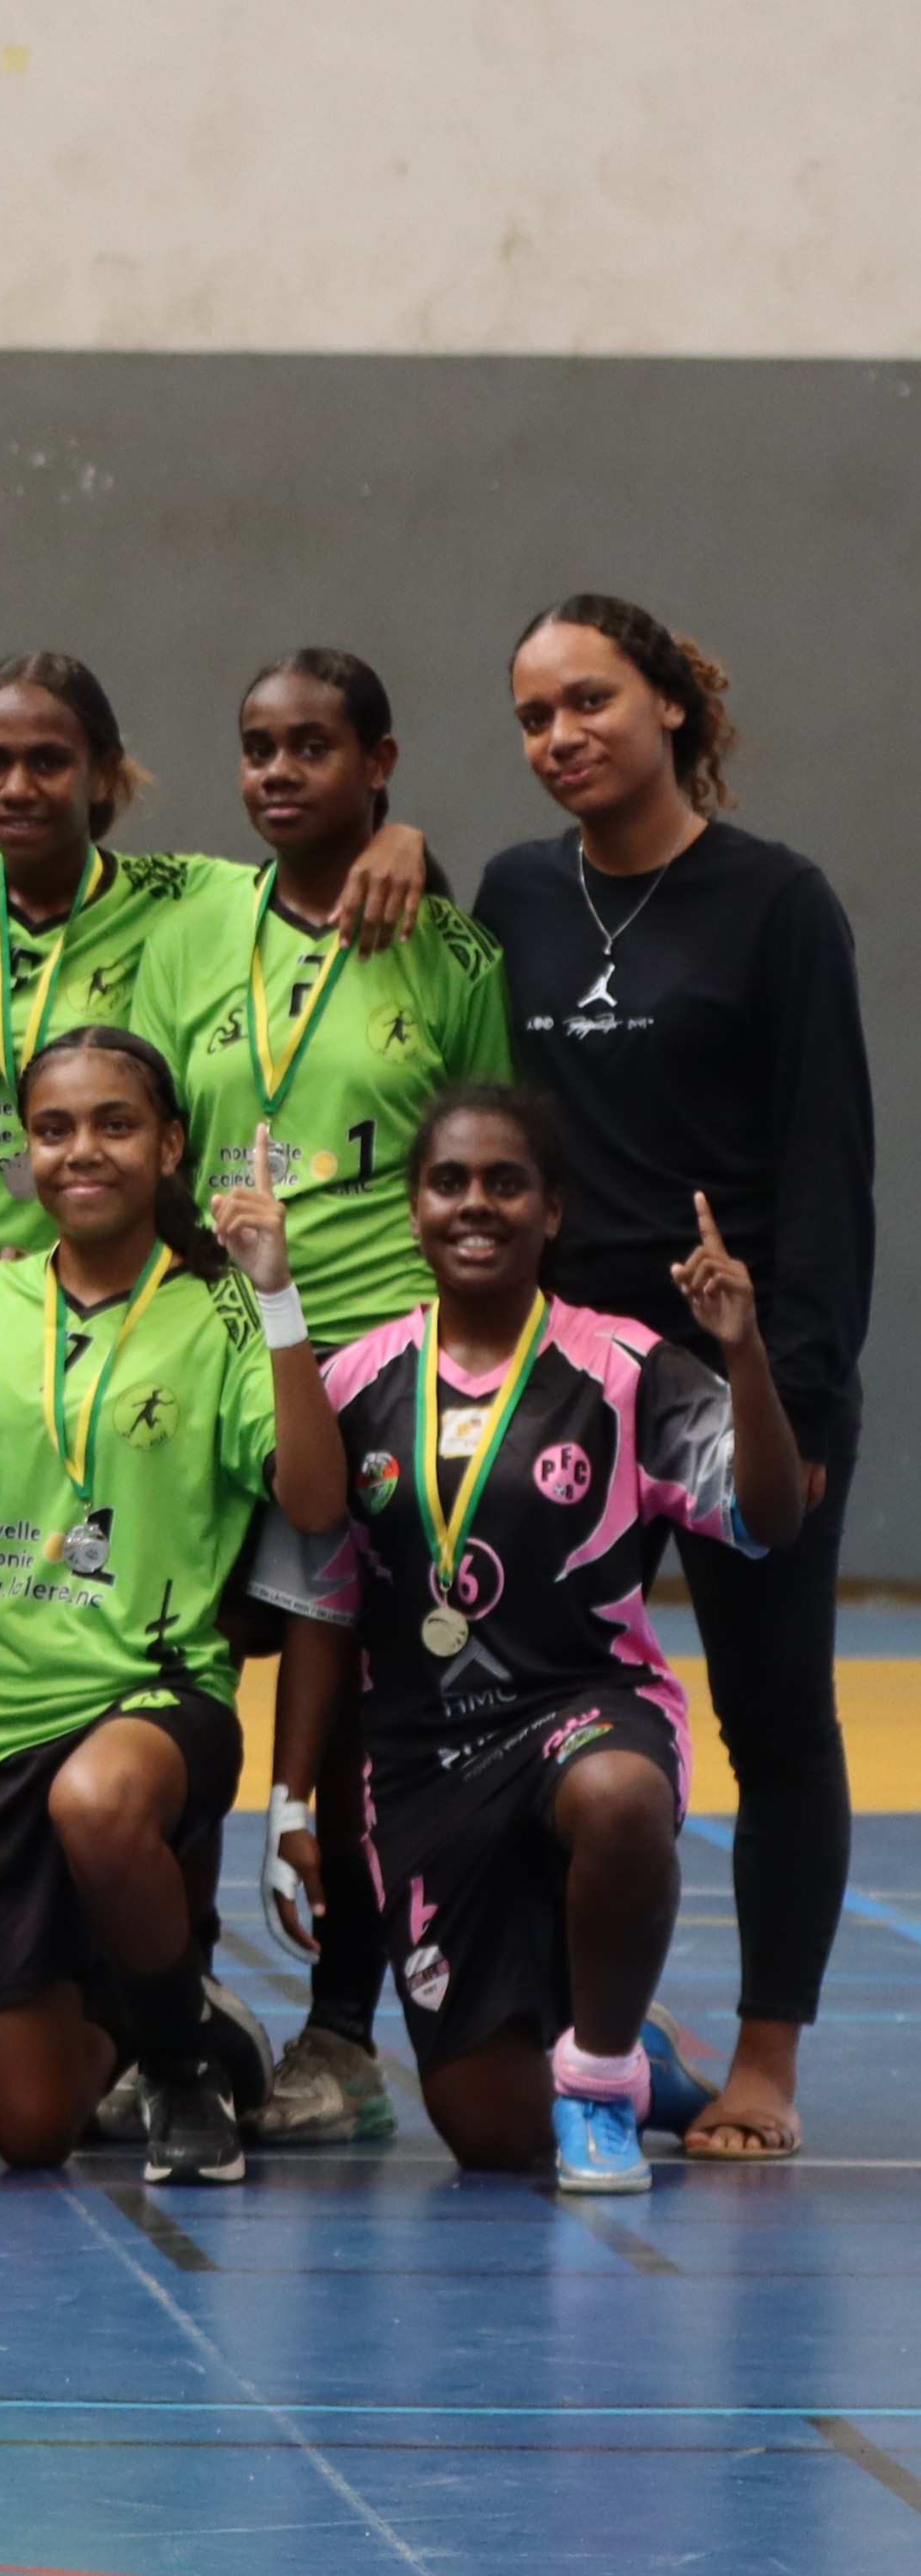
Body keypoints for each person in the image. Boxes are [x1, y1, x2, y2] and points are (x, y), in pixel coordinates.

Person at [476, 598, 870, 2164]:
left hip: (726, 1375)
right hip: (567, 1377)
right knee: (525, 1700)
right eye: (531, 715)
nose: (561, 735)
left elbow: (829, 1173)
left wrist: (807, 1396)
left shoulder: (778, 904)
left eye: (590, 701)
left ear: (670, 708)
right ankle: (583, 2022)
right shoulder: (512, 892)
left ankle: (764, 2055)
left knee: (772, 1709)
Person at [261, 1089, 799, 2193]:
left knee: (617, 1797)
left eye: (504, 1182)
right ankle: (641, 2059)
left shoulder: (626, 1368)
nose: (475, 1204)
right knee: (494, 2135)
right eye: (447, 1181)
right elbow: (320, 1595)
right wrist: (290, 1800)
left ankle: (599, 2077)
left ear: (552, 1209)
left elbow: (770, 1514)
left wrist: (743, 1353)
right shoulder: (358, 1381)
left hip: (582, 1706)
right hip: (424, 1762)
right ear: (412, 1207)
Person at [148, 647, 509, 2151]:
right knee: (157, 1674)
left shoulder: (452, 953)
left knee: (357, 1712)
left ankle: (342, 2029)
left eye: (313, 745)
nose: (280, 770)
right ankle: (156, 2016)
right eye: (256, 746)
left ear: (378, 761)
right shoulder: (185, 928)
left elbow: (491, 1176)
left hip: (376, 1368)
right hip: (209, 1351)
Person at [0, 1027, 343, 2184]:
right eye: (52, 1128)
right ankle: (173, 2007)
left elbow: (315, 1496)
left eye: (114, 1123)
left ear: (168, 1144)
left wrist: (280, 1298)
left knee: (100, 1799)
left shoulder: (221, 1314)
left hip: (151, 1692)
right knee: (30, 2128)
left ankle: (174, 2063)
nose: (81, 1150)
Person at [0, 651, 426, 1297]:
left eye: (48, 762)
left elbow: (316, 875)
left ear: (102, 776)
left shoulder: (178, 898)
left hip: (108, 1293)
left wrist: (397, 838)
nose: (15, 787)